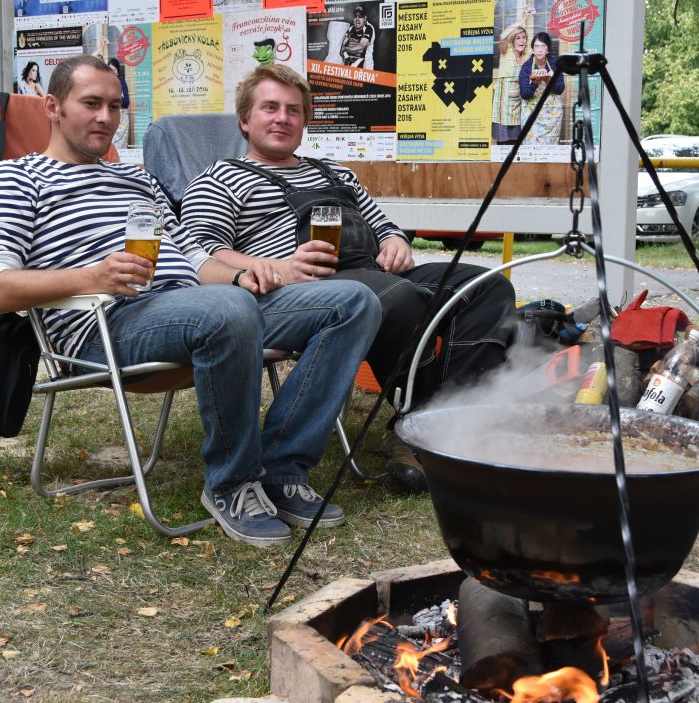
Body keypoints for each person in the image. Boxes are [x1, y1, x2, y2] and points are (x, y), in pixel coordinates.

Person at [0, 55, 381, 547]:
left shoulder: (139, 179)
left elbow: (192, 253)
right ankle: (232, 484)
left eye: (115, 106)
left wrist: (242, 274)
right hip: (106, 326)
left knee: (354, 302)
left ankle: (282, 468)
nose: (106, 117)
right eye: (91, 104)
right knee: (225, 310)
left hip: (203, 308)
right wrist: (91, 276)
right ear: (53, 106)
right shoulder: (15, 178)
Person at [181, 65, 517, 492]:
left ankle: (462, 415)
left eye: (294, 110)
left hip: (372, 271)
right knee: (397, 298)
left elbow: (382, 223)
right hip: (298, 291)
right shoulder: (220, 178)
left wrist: (396, 241)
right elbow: (203, 249)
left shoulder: (335, 171)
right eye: (270, 108)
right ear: (245, 120)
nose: (282, 118)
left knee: (485, 286)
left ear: (305, 121)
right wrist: (275, 266)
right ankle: (422, 427)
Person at [518, 32, 565, 145]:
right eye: (536, 46)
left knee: (550, 151)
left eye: (543, 46)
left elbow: (560, 89)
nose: (539, 50)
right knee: (531, 151)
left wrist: (548, 80)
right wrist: (534, 83)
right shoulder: (526, 67)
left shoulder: (555, 64)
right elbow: (524, 94)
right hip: (532, 115)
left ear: (547, 49)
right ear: (533, 49)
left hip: (551, 117)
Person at [491, 22, 530, 145]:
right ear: (512, 41)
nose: (521, 40)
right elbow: (503, 36)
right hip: (503, 107)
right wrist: (523, 19)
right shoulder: (506, 52)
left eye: (524, 38)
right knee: (503, 144)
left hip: (518, 105)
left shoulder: (527, 56)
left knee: (517, 144)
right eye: (518, 38)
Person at [108, 58, 131, 150]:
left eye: (114, 69)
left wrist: (114, 97)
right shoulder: (105, 83)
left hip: (121, 121)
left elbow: (126, 102)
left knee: (120, 147)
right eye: (110, 70)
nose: (112, 72)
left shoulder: (121, 82)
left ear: (117, 70)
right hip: (109, 119)